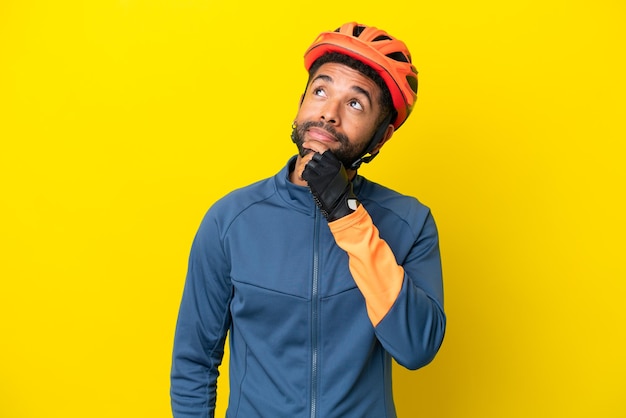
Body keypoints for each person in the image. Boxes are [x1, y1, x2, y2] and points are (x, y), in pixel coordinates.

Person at [170, 22, 446, 418]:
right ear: (301, 103)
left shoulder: (409, 223)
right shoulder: (230, 220)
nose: (328, 114)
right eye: (321, 91)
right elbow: (194, 363)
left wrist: (346, 217)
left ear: (381, 138)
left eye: (355, 104)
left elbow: (417, 347)